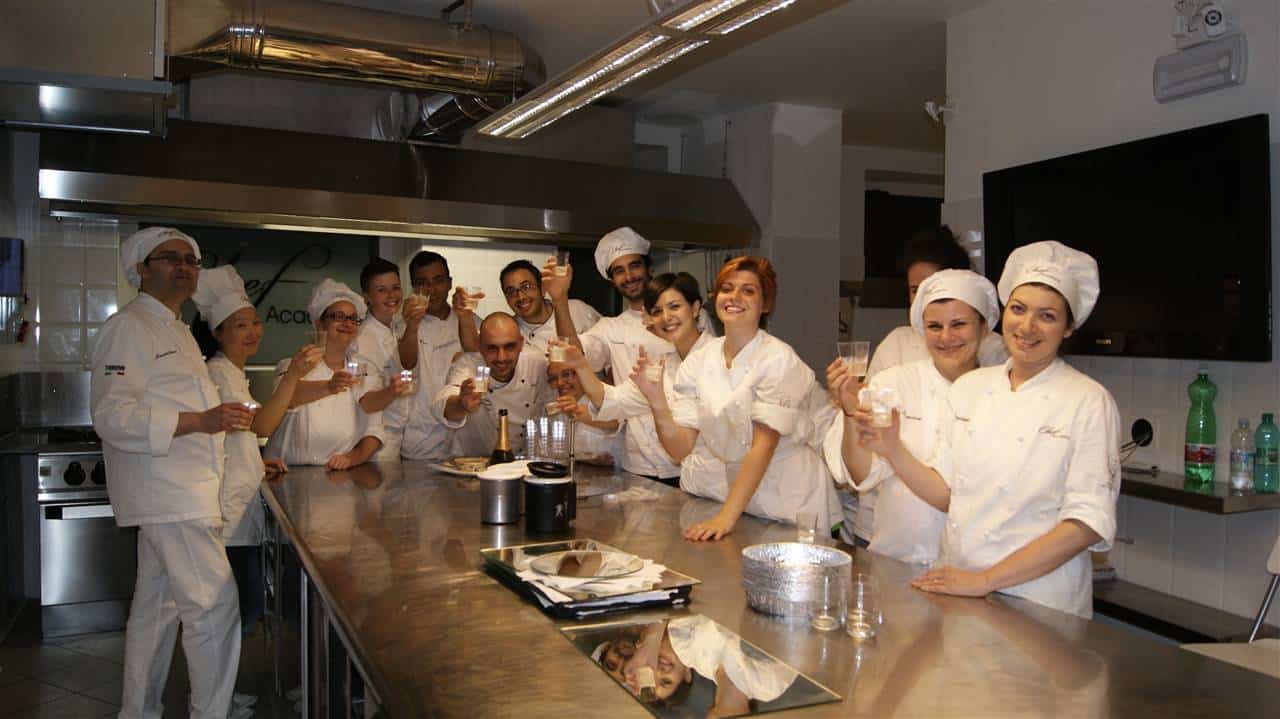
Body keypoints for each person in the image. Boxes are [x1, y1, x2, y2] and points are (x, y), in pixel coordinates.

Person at [853, 241, 1120, 618]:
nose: (1027, 327)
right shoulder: (971, 388)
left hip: (1041, 602)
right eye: (1018, 309)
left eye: (1047, 316)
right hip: (960, 588)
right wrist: (893, 449)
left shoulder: (1088, 401)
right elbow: (947, 494)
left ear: (1069, 327)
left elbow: (1085, 524)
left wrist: (986, 580)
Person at [91, 227, 252, 719]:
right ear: (142, 270)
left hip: (182, 493)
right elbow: (112, 415)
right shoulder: (129, 327)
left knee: (156, 612)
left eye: (191, 259)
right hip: (170, 494)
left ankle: (137, 712)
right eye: (170, 258)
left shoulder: (177, 330)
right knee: (213, 609)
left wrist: (211, 423)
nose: (184, 266)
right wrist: (201, 421)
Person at [630, 257, 841, 541]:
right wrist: (656, 400)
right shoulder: (700, 361)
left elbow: (764, 445)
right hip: (741, 496)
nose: (734, 297)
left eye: (748, 290)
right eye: (727, 289)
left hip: (789, 497)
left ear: (765, 305)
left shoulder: (778, 358)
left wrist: (724, 519)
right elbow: (681, 448)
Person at [191, 265, 322, 710]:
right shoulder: (218, 373)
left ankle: (221, 695)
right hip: (228, 519)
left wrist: (256, 461)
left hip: (240, 510)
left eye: (254, 322)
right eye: (239, 326)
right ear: (218, 333)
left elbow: (241, 436)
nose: (252, 332)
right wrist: (294, 376)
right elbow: (263, 424)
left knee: (240, 610)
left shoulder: (232, 373)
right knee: (235, 612)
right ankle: (216, 701)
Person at [824, 269, 1001, 564]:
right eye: (934, 326)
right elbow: (862, 474)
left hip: (969, 567)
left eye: (959, 324)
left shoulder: (1000, 394)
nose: (946, 337)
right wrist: (850, 411)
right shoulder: (894, 383)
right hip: (896, 559)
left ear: (984, 328)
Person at [543, 227, 690, 481]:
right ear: (612, 280)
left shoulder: (685, 317)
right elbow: (574, 355)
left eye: (634, 266)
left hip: (689, 459)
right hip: (639, 462)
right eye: (619, 271)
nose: (629, 276)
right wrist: (559, 299)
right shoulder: (611, 328)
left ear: (649, 268)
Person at [558, 272, 718, 487]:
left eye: (674, 307)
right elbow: (613, 401)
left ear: (696, 308)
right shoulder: (664, 365)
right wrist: (580, 364)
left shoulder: (718, 356)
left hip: (719, 482)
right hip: (690, 483)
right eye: (657, 311)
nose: (666, 317)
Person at [265, 279, 386, 468]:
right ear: (319, 323)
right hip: (286, 471)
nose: (347, 323)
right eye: (338, 316)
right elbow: (287, 396)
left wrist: (351, 459)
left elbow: (374, 429)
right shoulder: (294, 365)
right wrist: (329, 386)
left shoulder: (364, 370)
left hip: (336, 473)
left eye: (352, 318)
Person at [867, 225, 1006, 377]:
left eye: (959, 324)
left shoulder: (997, 350)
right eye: (915, 290)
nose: (945, 337)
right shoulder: (896, 344)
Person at [394, 251, 482, 461]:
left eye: (438, 281)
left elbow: (478, 356)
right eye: (422, 283)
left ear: (449, 283)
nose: (431, 289)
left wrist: (465, 317)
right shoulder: (402, 327)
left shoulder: (471, 321)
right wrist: (411, 326)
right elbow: (406, 364)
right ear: (414, 288)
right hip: (420, 439)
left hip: (468, 439)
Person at [435, 312, 557, 456]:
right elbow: (442, 406)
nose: (501, 357)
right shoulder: (468, 365)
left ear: (521, 344)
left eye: (509, 347)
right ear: (479, 346)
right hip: (472, 462)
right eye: (492, 348)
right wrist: (461, 404)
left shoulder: (536, 363)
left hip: (523, 461)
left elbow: (554, 399)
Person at [352, 258, 415, 458]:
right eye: (381, 290)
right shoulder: (361, 341)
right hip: (374, 445)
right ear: (367, 297)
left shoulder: (397, 328)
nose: (391, 295)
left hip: (401, 440)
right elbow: (365, 402)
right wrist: (392, 391)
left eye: (395, 287)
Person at [499, 258, 600, 357]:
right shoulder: (510, 330)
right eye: (511, 291)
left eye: (526, 287)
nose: (520, 297)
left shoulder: (578, 309)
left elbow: (606, 348)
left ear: (542, 288)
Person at [546, 359, 619, 466]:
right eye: (553, 378)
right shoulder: (556, 409)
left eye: (566, 375)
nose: (559, 383)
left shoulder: (604, 400)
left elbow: (616, 422)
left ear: (583, 373)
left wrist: (579, 412)